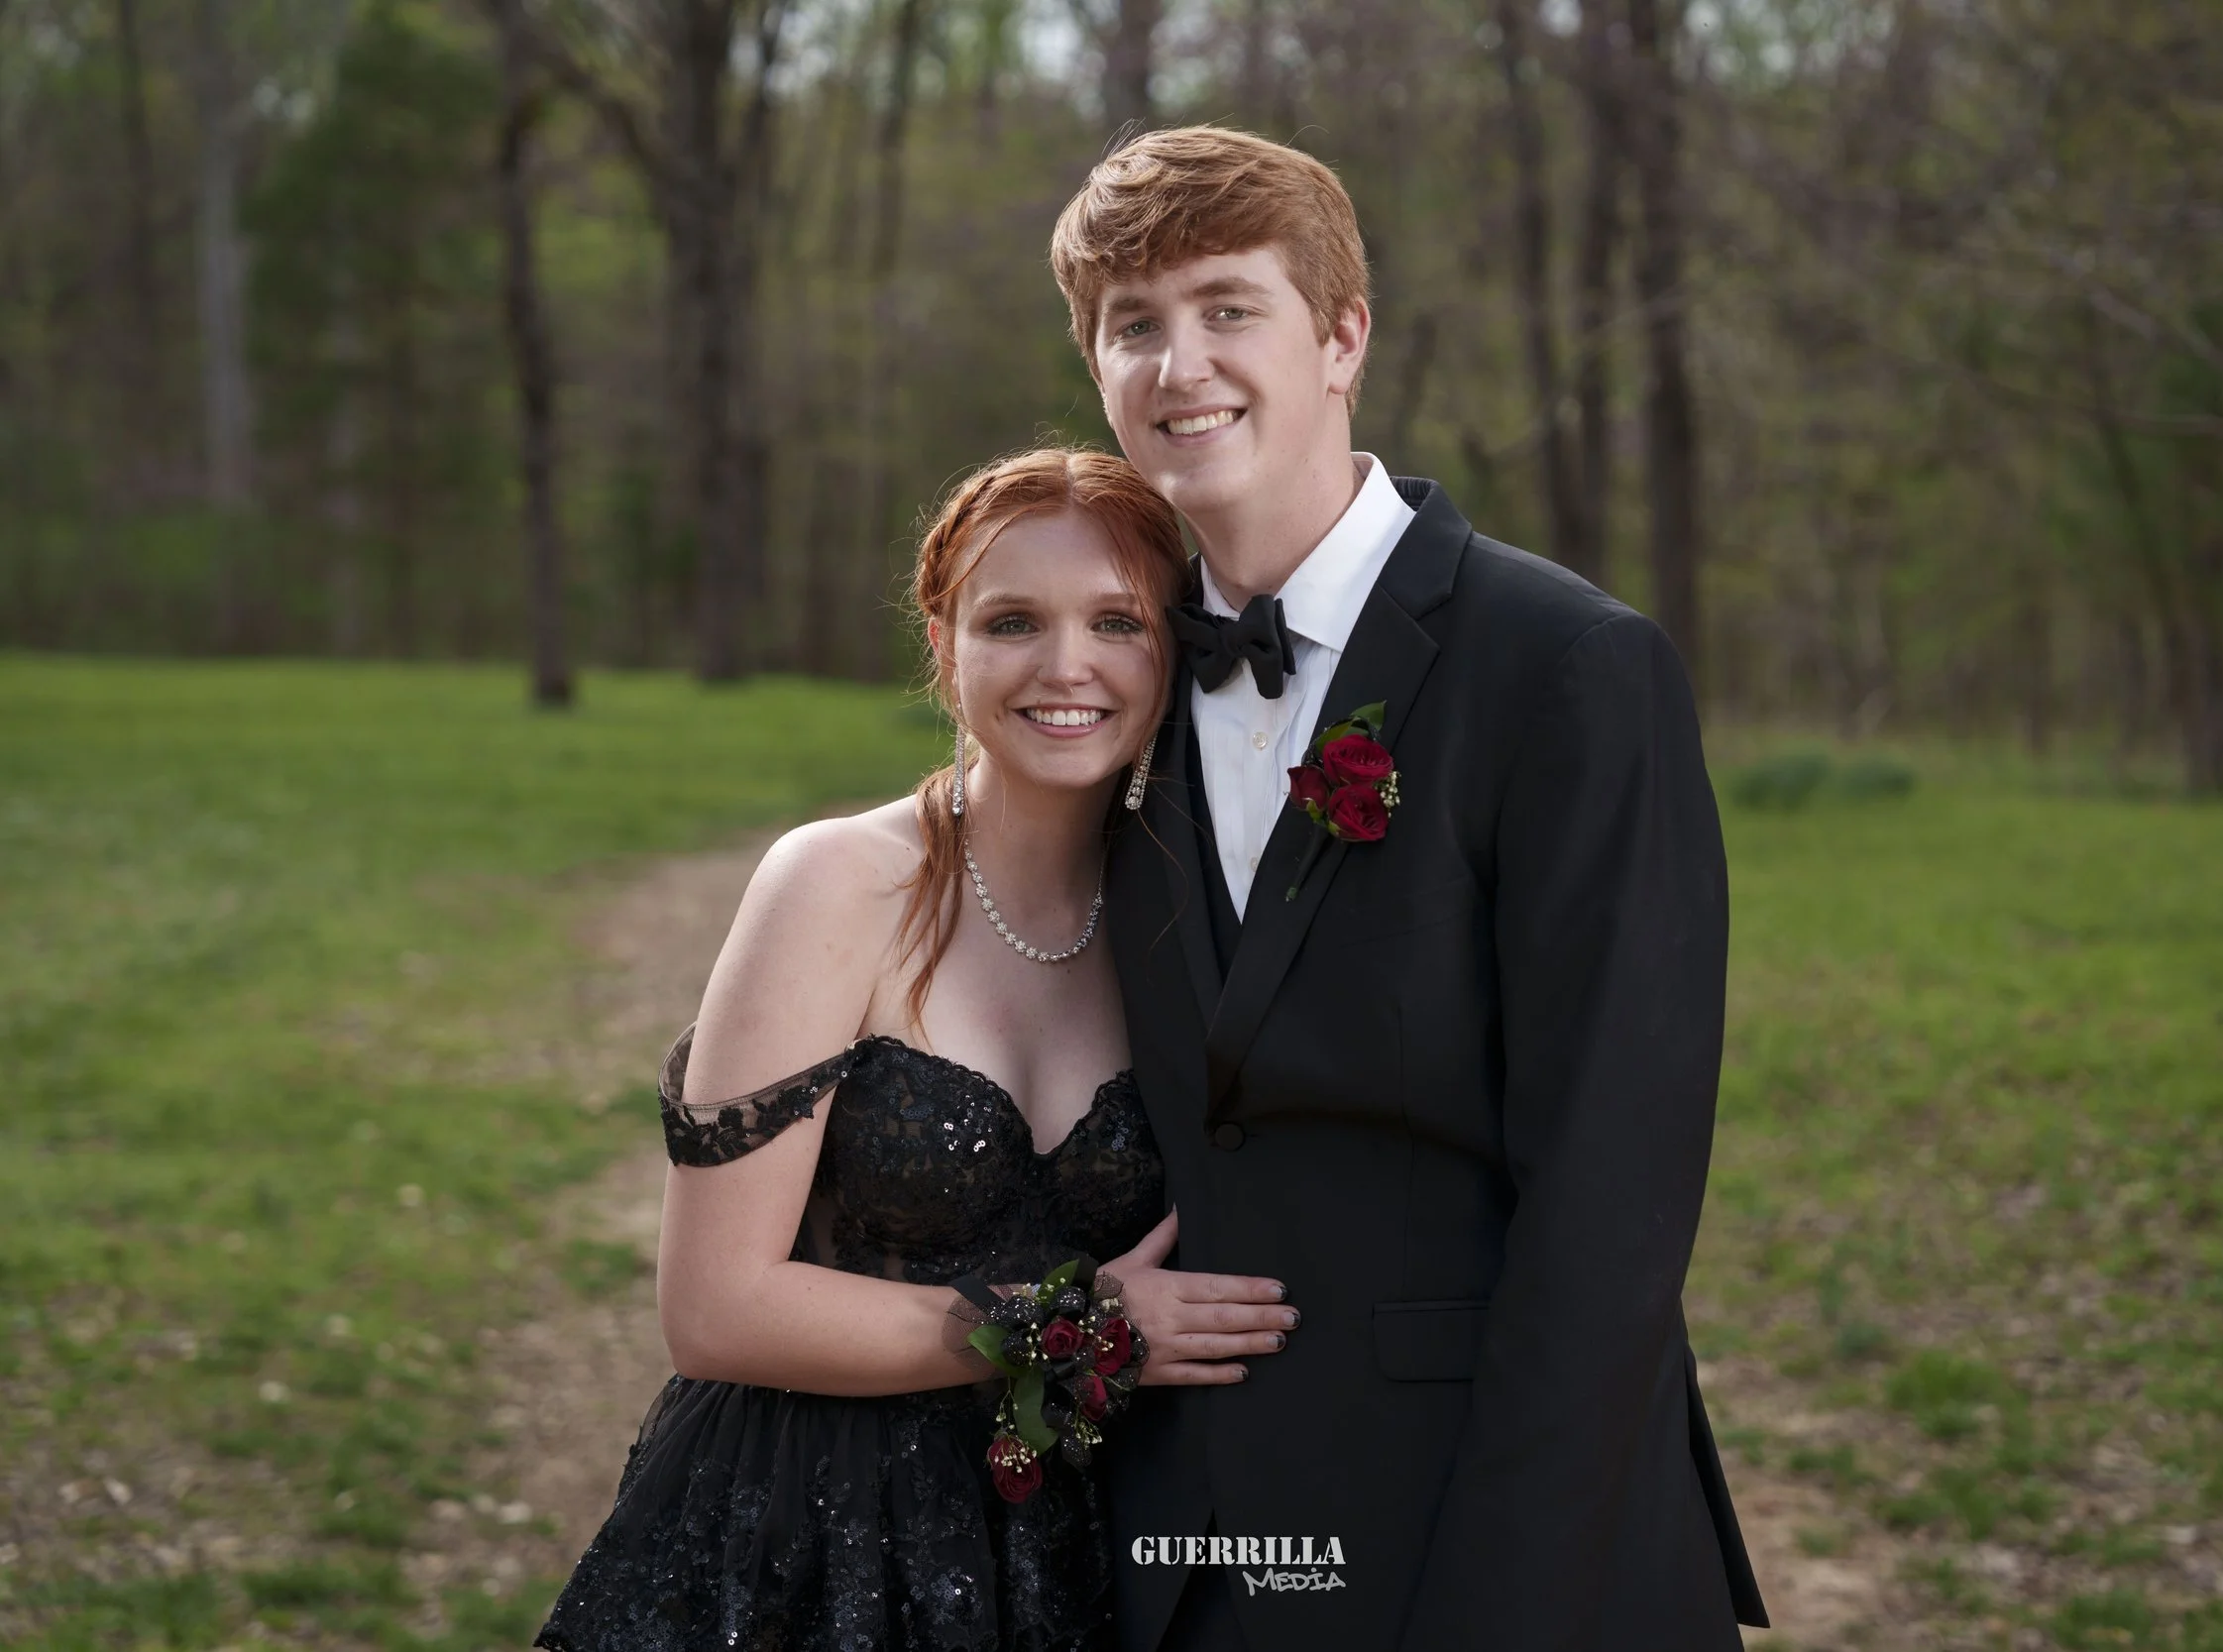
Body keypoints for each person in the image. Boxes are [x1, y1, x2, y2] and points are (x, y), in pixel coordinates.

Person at [1051, 129, 1769, 1650]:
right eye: (1134, 323)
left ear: (1343, 337)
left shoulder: (1569, 668)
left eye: (1229, 307)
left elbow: (1612, 1208)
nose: (1181, 363)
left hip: (1497, 1535)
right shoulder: (1112, 682)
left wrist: (1503, 1609)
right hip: (1192, 1550)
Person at [534, 448, 1295, 1652]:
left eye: (1117, 622)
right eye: (1012, 621)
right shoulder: (836, 883)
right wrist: (1075, 1321)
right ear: (943, 646)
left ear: (1173, 652)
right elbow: (714, 1307)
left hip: (1075, 1537)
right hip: (810, 1524)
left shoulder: (1185, 918)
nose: (1067, 665)